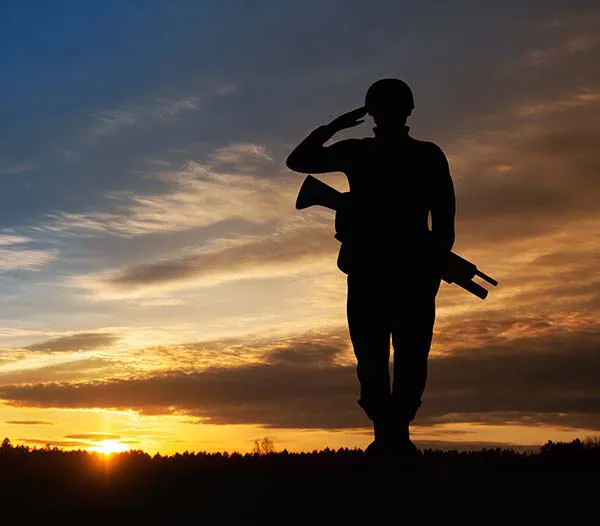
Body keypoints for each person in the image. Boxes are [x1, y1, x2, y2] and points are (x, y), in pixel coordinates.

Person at [286, 78, 456, 456]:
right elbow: (297, 162)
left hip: (399, 274)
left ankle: (392, 438)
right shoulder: (371, 153)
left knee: (401, 359)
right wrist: (335, 127)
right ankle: (389, 438)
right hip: (376, 273)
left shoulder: (416, 155)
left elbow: (444, 226)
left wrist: (430, 270)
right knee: (377, 358)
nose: (390, 115)